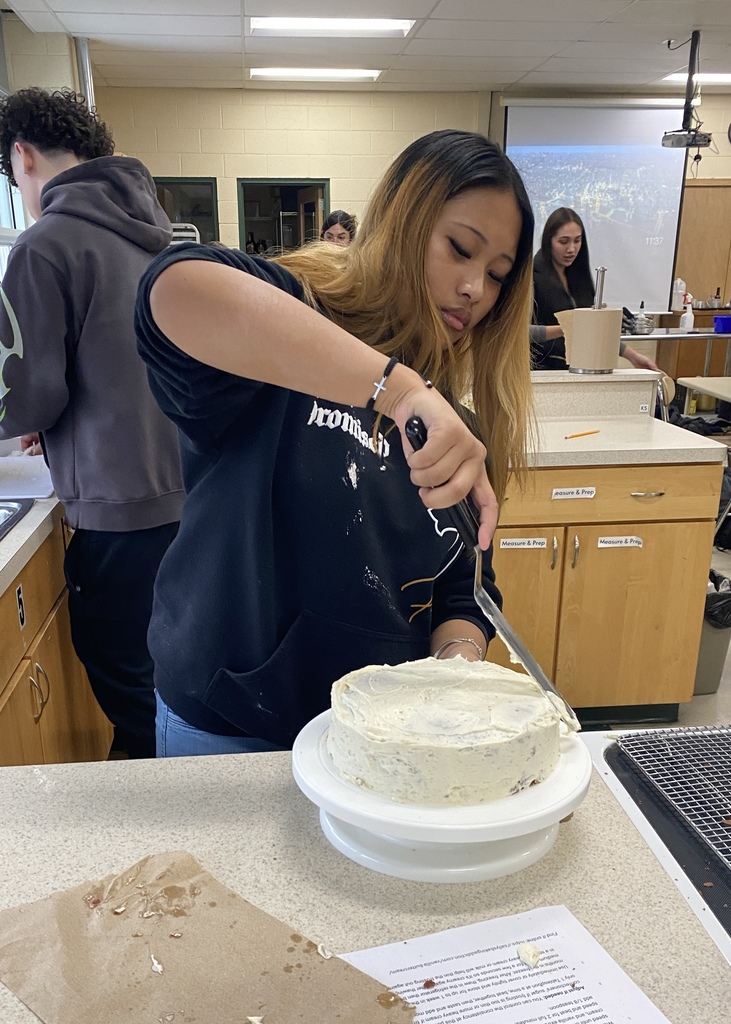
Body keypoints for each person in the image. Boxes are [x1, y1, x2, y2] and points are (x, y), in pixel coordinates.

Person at [135, 128, 536, 758]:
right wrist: (397, 390)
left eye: (497, 275)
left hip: (379, 737)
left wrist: (454, 668)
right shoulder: (289, 333)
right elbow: (172, 289)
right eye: (460, 249)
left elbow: (464, 589)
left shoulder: (454, 430)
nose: (474, 289)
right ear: (403, 224)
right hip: (229, 724)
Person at [0, 88, 184, 759]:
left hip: (116, 513)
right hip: (186, 498)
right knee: (170, 688)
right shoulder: (158, 237)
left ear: (23, 156)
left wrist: (32, 414)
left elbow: (25, 397)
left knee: (131, 695)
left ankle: (162, 818)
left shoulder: (46, 245)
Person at [531, 207, 659, 372]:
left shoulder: (578, 276)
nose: (571, 249)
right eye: (563, 242)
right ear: (548, 241)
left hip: (577, 369)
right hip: (540, 370)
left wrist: (632, 356)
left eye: (577, 241)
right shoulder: (531, 276)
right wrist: (569, 326)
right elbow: (519, 332)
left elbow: (593, 330)